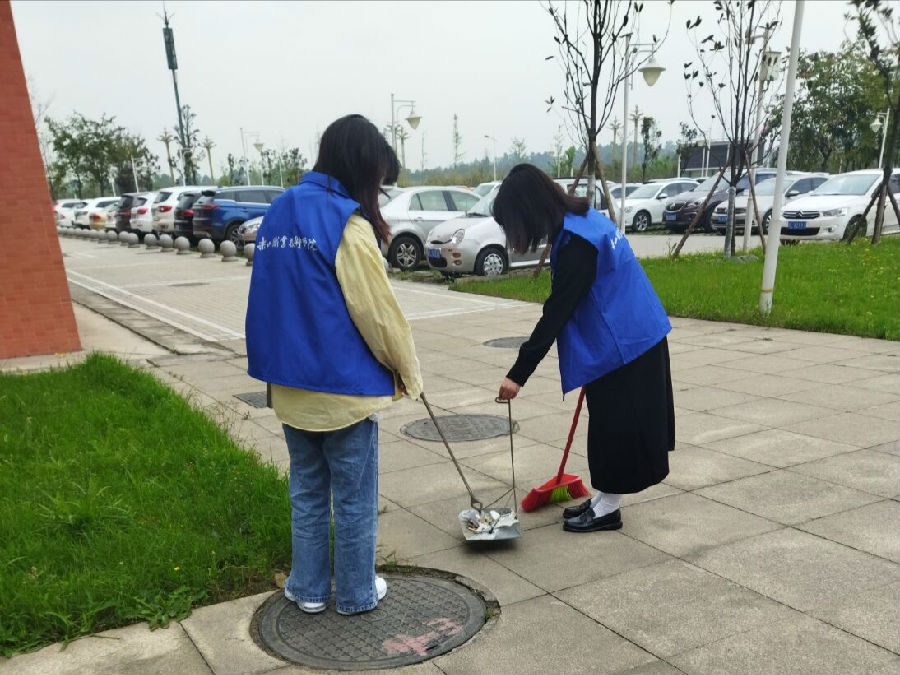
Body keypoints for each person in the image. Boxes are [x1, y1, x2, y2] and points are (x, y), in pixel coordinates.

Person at [245, 115, 422, 614]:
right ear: (360, 168)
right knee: (353, 498)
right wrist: (408, 371)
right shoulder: (346, 224)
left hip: (289, 385)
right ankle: (357, 594)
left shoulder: (278, 211)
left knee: (306, 491)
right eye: (377, 180)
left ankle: (308, 590)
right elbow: (378, 314)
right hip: (342, 391)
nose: (377, 191)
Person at [494, 164, 674, 533]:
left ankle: (608, 508)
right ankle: (605, 497)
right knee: (609, 424)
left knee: (616, 429)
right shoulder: (582, 220)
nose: (514, 234)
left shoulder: (577, 242)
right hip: (633, 330)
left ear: (527, 210)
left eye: (512, 224)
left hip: (627, 342)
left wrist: (518, 375)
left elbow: (557, 312)